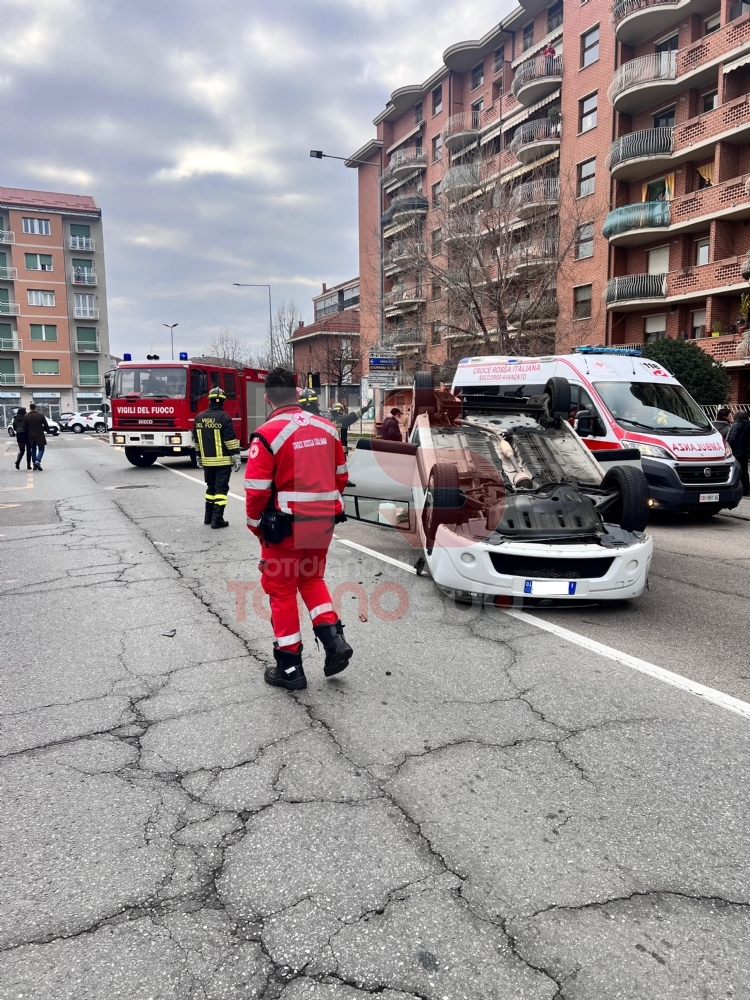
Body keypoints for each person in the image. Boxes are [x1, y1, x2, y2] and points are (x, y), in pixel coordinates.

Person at [245, 367, 353, 691]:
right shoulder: (328, 428)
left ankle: (290, 669)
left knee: (281, 591)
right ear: (297, 393)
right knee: (311, 578)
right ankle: (334, 641)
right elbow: (341, 476)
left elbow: (256, 491)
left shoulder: (266, 434)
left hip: (285, 526)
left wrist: (256, 527)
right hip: (323, 521)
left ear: (267, 399)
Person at [194, 385, 241, 529]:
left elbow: (197, 441)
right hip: (222, 462)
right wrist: (236, 456)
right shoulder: (224, 417)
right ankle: (217, 519)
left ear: (209, 400)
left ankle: (208, 518)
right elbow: (230, 439)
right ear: (222, 401)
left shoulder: (199, 418)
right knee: (221, 490)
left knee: (210, 488)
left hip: (207, 462)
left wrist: (198, 457)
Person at [727, 410, 750, 496]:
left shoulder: (736, 425)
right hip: (745, 452)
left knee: (735, 471)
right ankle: (746, 489)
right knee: (744, 471)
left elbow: (732, 439)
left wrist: (729, 449)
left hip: (736, 452)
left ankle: (737, 489)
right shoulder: (748, 425)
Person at [23, 403, 50, 471]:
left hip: (31, 435)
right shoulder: (40, 415)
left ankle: (35, 464)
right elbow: (46, 425)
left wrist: (29, 430)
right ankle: (38, 461)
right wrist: (41, 429)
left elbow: (24, 427)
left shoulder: (26, 416)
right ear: (35, 408)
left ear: (30, 408)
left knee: (33, 449)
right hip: (40, 434)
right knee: (41, 449)